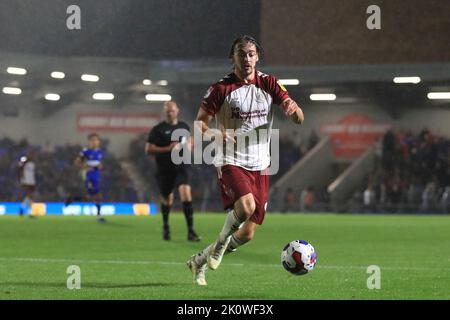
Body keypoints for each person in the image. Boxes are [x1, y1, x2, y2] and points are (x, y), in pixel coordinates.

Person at [187, 35, 304, 285]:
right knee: (246, 208)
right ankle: (220, 245)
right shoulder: (220, 89)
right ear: (233, 58)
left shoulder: (270, 83)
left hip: (261, 164)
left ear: (258, 56)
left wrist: (295, 113)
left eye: (251, 53)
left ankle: (199, 261)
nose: (247, 58)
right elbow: (199, 124)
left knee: (248, 233)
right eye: (242, 53)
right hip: (231, 159)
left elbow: (299, 117)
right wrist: (216, 133)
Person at [145, 101, 201, 242]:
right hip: (165, 169)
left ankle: (190, 231)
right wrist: (167, 149)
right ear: (164, 112)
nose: (170, 113)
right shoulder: (157, 129)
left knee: (185, 193)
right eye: (167, 111)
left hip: (182, 167)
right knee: (167, 199)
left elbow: (189, 144)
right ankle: (166, 226)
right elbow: (148, 150)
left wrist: (189, 145)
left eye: (172, 110)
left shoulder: (184, 127)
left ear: (177, 110)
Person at [68, 133, 105, 222]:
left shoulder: (100, 152)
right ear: (89, 142)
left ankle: (73, 200)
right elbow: (76, 163)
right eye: (92, 140)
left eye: (96, 140)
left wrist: (100, 166)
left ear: (99, 142)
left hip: (96, 175)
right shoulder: (85, 151)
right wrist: (86, 167)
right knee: (96, 195)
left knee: (93, 196)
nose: (94, 142)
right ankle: (99, 215)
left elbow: (99, 164)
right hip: (88, 175)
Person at [17, 149, 37, 217]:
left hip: (32, 181)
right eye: (31, 154)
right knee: (30, 196)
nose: (32, 155)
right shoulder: (24, 160)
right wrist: (21, 179)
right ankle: (29, 212)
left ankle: (22, 209)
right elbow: (19, 168)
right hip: (26, 181)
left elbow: (33, 173)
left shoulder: (33, 163)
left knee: (30, 197)